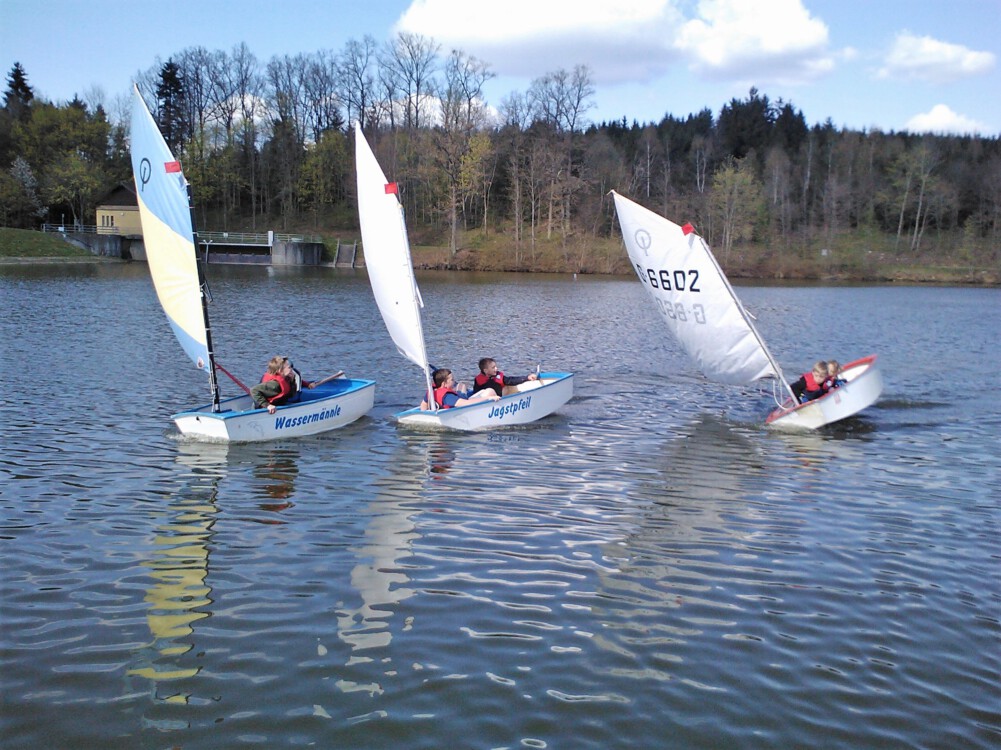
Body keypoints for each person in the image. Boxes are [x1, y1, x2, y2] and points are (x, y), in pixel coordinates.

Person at [421, 367, 500, 410]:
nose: (454, 381)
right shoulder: (448, 396)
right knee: (490, 391)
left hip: (458, 401)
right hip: (463, 404)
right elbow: (467, 403)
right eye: (452, 380)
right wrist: (489, 398)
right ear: (444, 384)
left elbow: (423, 406)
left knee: (461, 386)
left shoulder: (431, 392)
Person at [471, 357, 538, 397]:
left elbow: (511, 380)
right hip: (488, 401)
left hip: (500, 398)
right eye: (493, 367)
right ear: (485, 371)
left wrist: (527, 378)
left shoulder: (499, 376)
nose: (496, 369)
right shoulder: (478, 380)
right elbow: (476, 394)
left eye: (496, 366)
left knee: (508, 387)